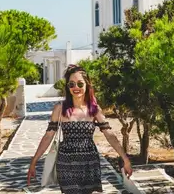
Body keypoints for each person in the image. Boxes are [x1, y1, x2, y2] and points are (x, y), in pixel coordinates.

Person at [27, 64, 133, 193]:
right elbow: (48, 136)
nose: (76, 88)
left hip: (89, 163)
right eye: (71, 84)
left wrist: (125, 159)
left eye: (80, 84)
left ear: (87, 85)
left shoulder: (94, 110)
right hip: (66, 163)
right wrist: (34, 161)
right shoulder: (60, 109)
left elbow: (109, 135)